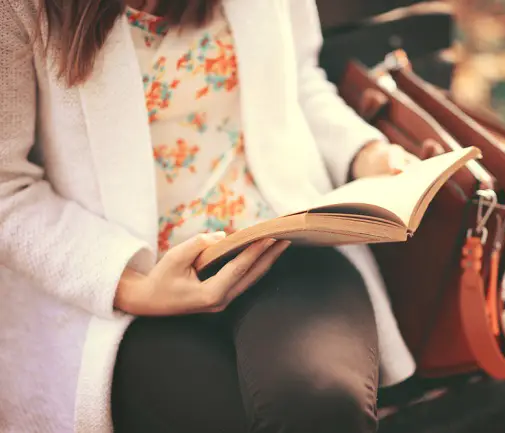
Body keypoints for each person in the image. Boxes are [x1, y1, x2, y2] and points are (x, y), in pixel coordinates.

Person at [0, 0, 420, 432]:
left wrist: (365, 153)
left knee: (321, 401)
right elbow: (6, 189)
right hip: (127, 290)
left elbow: (298, 83)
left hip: (282, 246)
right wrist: (133, 288)